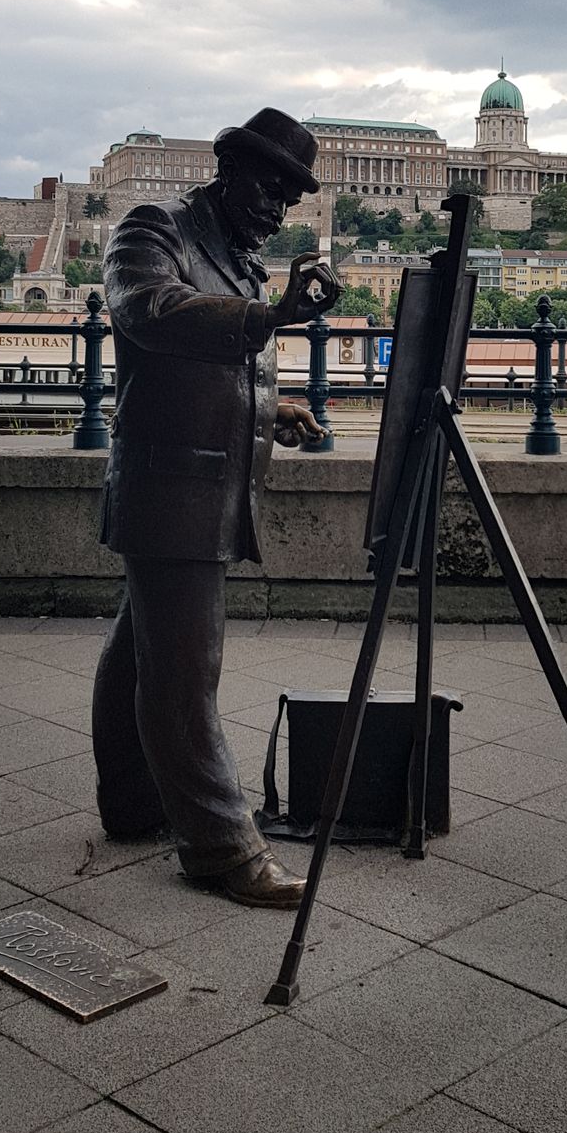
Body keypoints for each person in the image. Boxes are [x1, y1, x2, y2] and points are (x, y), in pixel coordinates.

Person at [91, 108, 340, 906]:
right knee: (185, 673)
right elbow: (150, 313)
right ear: (231, 169)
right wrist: (271, 317)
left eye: (290, 197)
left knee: (145, 650)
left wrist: (274, 411)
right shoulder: (153, 229)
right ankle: (223, 852)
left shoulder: (234, 256)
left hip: (205, 483)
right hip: (172, 483)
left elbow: (218, 371)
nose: (278, 207)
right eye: (270, 186)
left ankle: (133, 805)